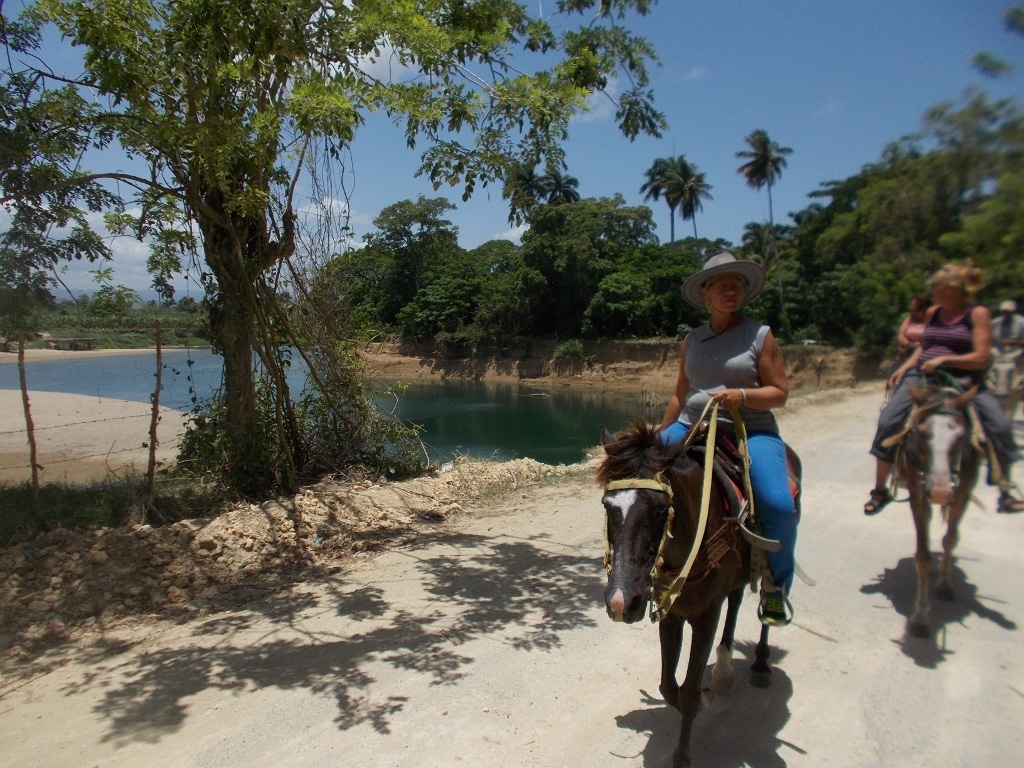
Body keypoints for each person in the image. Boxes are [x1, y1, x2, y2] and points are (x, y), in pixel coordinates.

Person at [657, 251, 798, 626]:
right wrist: (660, 433)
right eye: (722, 285)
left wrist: (743, 396)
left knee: (778, 504)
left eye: (736, 285)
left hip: (749, 428)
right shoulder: (693, 339)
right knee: (636, 477)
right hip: (691, 423)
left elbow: (780, 393)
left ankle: (775, 587)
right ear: (706, 293)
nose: (730, 291)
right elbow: (680, 394)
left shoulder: (760, 335)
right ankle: (640, 562)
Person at [864, 263, 1024, 515]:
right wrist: (906, 367)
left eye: (937, 286)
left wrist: (945, 360)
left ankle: (1006, 489)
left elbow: (981, 357)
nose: (933, 291)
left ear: (954, 289)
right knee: (888, 421)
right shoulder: (934, 313)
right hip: (924, 375)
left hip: (964, 378)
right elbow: (924, 347)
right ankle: (880, 490)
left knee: (999, 425)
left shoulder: (978, 314)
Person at [891, 293, 930, 374]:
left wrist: (920, 346)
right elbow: (901, 336)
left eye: (913, 304)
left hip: (924, 353)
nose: (910, 306)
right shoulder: (909, 320)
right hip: (907, 352)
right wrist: (911, 344)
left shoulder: (930, 321)